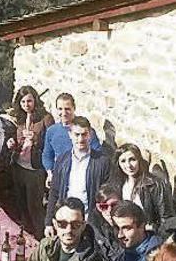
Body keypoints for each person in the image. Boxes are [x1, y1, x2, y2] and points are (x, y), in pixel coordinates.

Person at [44, 116, 112, 238]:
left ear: (90, 135)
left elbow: (108, 196)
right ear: (70, 134)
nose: (80, 139)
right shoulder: (62, 160)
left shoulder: (102, 162)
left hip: (91, 223)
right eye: (76, 134)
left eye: (84, 134)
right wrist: (48, 222)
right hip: (67, 221)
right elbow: (54, 192)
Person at [7, 86, 54, 239]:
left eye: (29, 101)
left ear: (35, 101)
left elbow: (51, 143)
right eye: (23, 102)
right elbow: (19, 140)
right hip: (19, 165)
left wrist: (36, 139)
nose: (26, 104)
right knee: (21, 204)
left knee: (35, 207)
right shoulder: (20, 118)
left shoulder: (45, 118)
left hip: (35, 168)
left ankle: (41, 238)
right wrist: (12, 143)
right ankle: (27, 237)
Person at [112, 143, 175, 229]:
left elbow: (166, 217)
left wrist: (153, 229)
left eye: (132, 159)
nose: (128, 165)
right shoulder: (119, 184)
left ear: (139, 160)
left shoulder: (154, 184)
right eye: (123, 161)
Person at [41, 93, 101, 183]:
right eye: (60, 109)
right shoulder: (52, 131)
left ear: (74, 108)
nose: (64, 113)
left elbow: (98, 154)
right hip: (60, 177)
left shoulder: (86, 131)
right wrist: (50, 173)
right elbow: (47, 155)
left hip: (82, 178)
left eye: (67, 109)